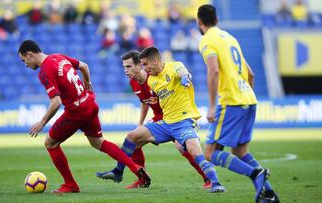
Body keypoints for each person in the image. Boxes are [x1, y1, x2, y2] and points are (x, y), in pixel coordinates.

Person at [17, 40, 151, 193]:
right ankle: (135, 168)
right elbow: (84, 66)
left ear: (30, 54)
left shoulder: (45, 71)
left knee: (50, 143)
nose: (26, 65)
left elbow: (56, 102)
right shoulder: (58, 57)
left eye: (24, 61)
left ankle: (70, 184)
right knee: (99, 142)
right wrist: (87, 83)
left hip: (76, 111)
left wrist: (42, 122)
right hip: (89, 102)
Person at [97, 47, 225, 192]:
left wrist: (185, 78)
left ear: (146, 64)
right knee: (133, 137)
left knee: (187, 149)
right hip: (163, 120)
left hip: (180, 119)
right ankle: (127, 174)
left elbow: (181, 72)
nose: (126, 70)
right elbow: (146, 101)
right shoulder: (148, 81)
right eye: (124, 67)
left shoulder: (168, 69)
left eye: (129, 66)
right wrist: (141, 123)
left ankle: (212, 180)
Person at [197, 4, 279, 203]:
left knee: (209, 153)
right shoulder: (230, 38)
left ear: (199, 23)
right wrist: (246, 94)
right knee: (240, 151)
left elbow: (214, 70)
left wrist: (210, 105)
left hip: (231, 101)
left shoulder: (207, 40)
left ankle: (255, 174)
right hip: (249, 99)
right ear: (216, 20)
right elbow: (250, 73)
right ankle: (267, 194)